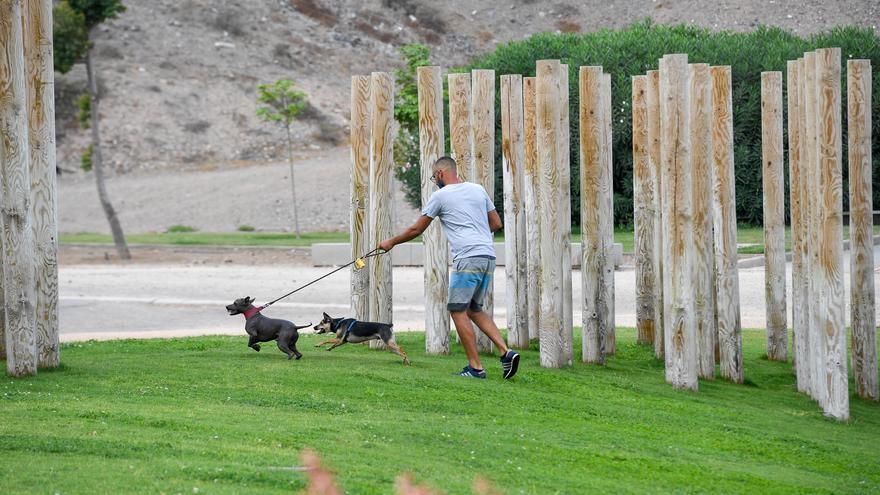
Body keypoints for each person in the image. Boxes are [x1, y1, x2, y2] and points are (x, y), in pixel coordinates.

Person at [379, 156, 520, 379]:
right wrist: (476, 233)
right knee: (474, 309)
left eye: (434, 176)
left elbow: (417, 230)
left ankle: (475, 368)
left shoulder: (440, 196)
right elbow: (496, 224)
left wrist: (390, 243)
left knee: (457, 309)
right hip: (487, 256)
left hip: (467, 258)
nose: (435, 180)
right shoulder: (477, 189)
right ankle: (506, 352)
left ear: (441, 174)